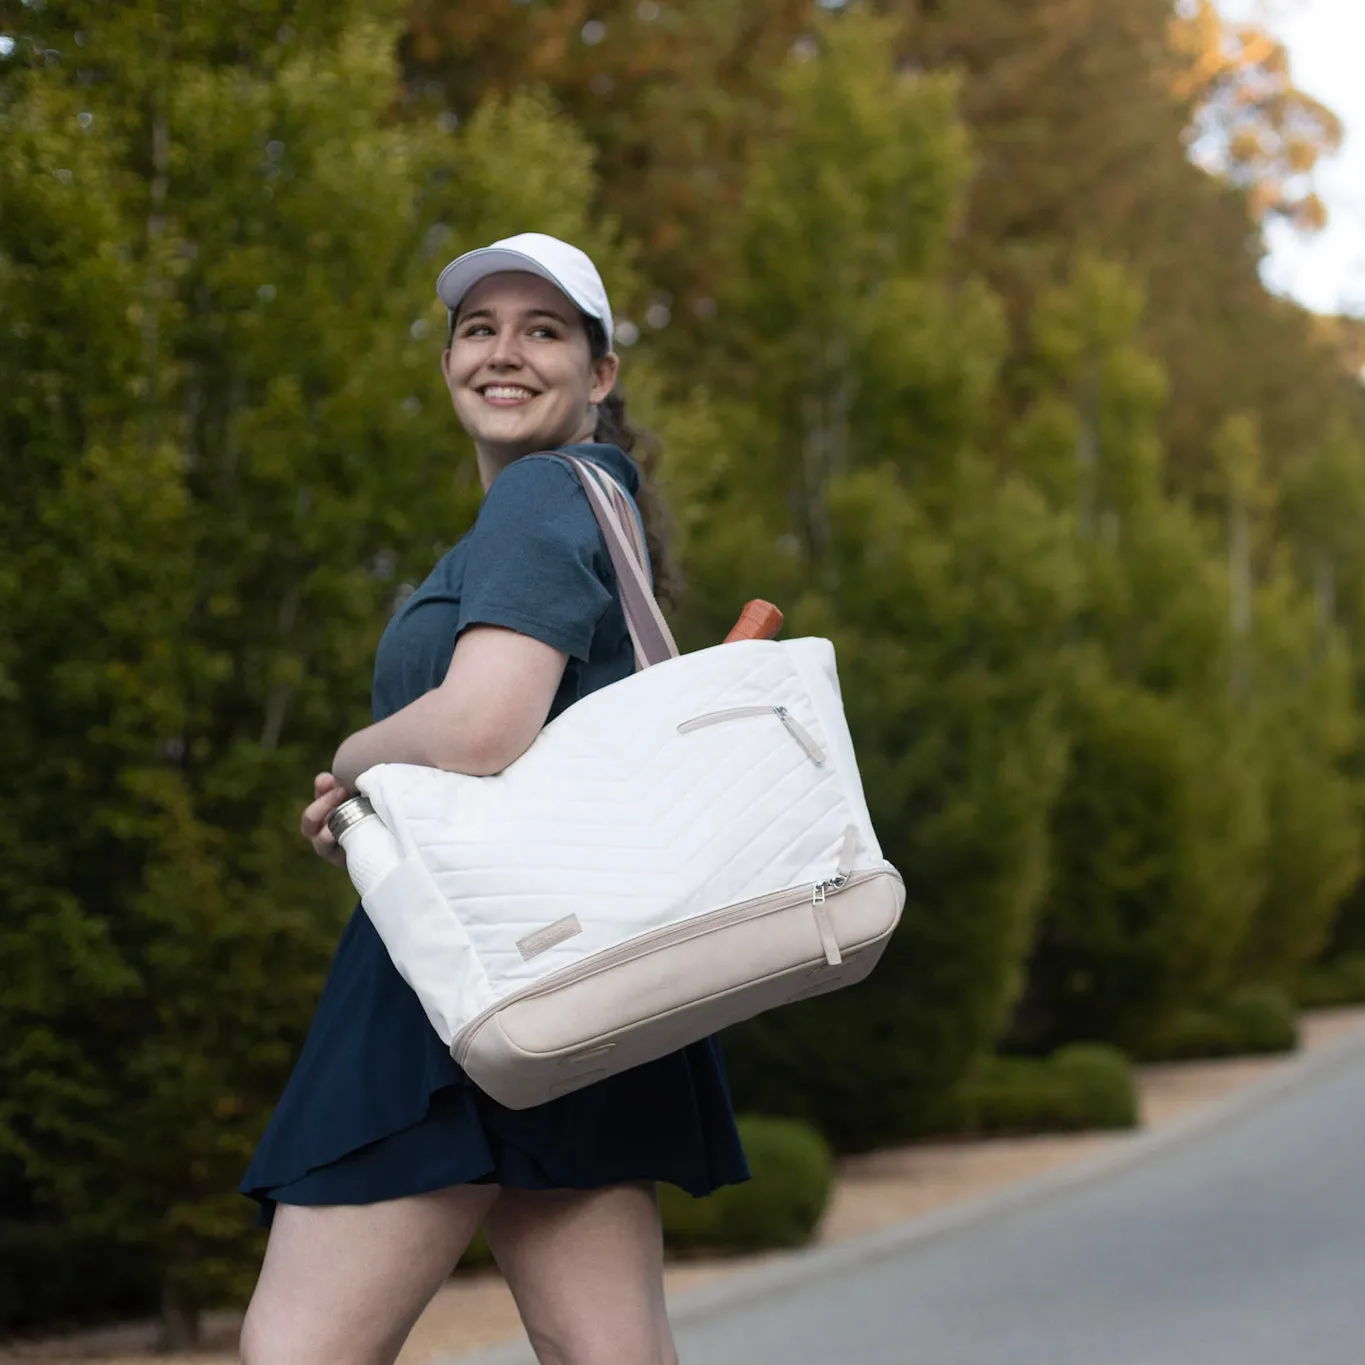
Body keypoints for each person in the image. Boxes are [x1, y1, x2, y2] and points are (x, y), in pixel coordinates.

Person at [238, 233, 749, 1365]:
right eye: (480, 329)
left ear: (601, 373)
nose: (504, 353)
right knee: (607, 1351)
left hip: (458, 971)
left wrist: (355, 756)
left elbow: (482, 726)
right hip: (581, 970)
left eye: (544, 330)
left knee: (298, 1350)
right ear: (449, 360)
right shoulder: (583, 508)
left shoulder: (533, 501)